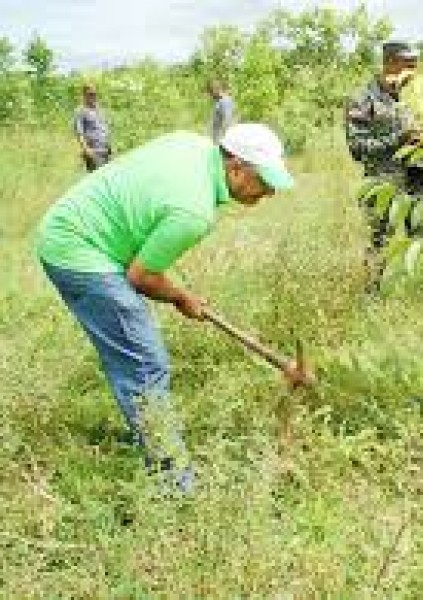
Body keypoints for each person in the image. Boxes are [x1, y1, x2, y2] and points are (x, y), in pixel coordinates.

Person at [36, 123, 301, 494]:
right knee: (144, 363)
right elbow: (141, 277)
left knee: (133, 357)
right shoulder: (193, 211)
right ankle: (176, 483)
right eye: (265, 182)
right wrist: (180, 297)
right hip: (78, 251)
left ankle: (149, 435)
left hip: (69, 225)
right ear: (236, 168)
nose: (269, 192)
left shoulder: (192, 144)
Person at [345, 41, 423, 292]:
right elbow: (357, 148)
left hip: (417, 179)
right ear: (390, 64)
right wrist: (397, 139)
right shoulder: (362, 99)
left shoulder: (416, 98)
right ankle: (372, 299)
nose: (414, 70)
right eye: (409, 64)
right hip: (381, 184)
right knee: (379, 243)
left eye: (415, 64)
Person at [74, 84, 111, 172]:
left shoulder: (100, 110)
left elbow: (104, 128)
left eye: (94, 94)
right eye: (90, 94)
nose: (93, 96)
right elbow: (79, 133)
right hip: (93, 152)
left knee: (108, 177)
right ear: (84, 95)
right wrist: (86, 149)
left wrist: (109, 146)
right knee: (98, 178)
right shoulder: (80, 111)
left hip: (105, 150)